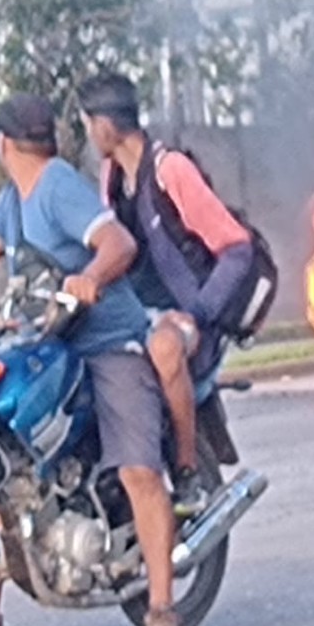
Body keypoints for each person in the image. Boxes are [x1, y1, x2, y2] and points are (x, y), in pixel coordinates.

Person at [0, 95, 181, 626]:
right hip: (43, 340)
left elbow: (120, 244)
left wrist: (88, 277)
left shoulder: (58, 187)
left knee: (137, 469)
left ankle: (161, 609)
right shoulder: (13, 200)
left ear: (3, 143)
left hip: (106, 341)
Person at [77, 73, 255, 517]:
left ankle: (189, 470)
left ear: (104, 125)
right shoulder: (111, 177)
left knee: (163, 347)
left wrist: (196, 313)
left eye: (86, 122)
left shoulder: (170, 169)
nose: (85, 133)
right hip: (135, 314)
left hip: (188, 318)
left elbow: (237, 249)